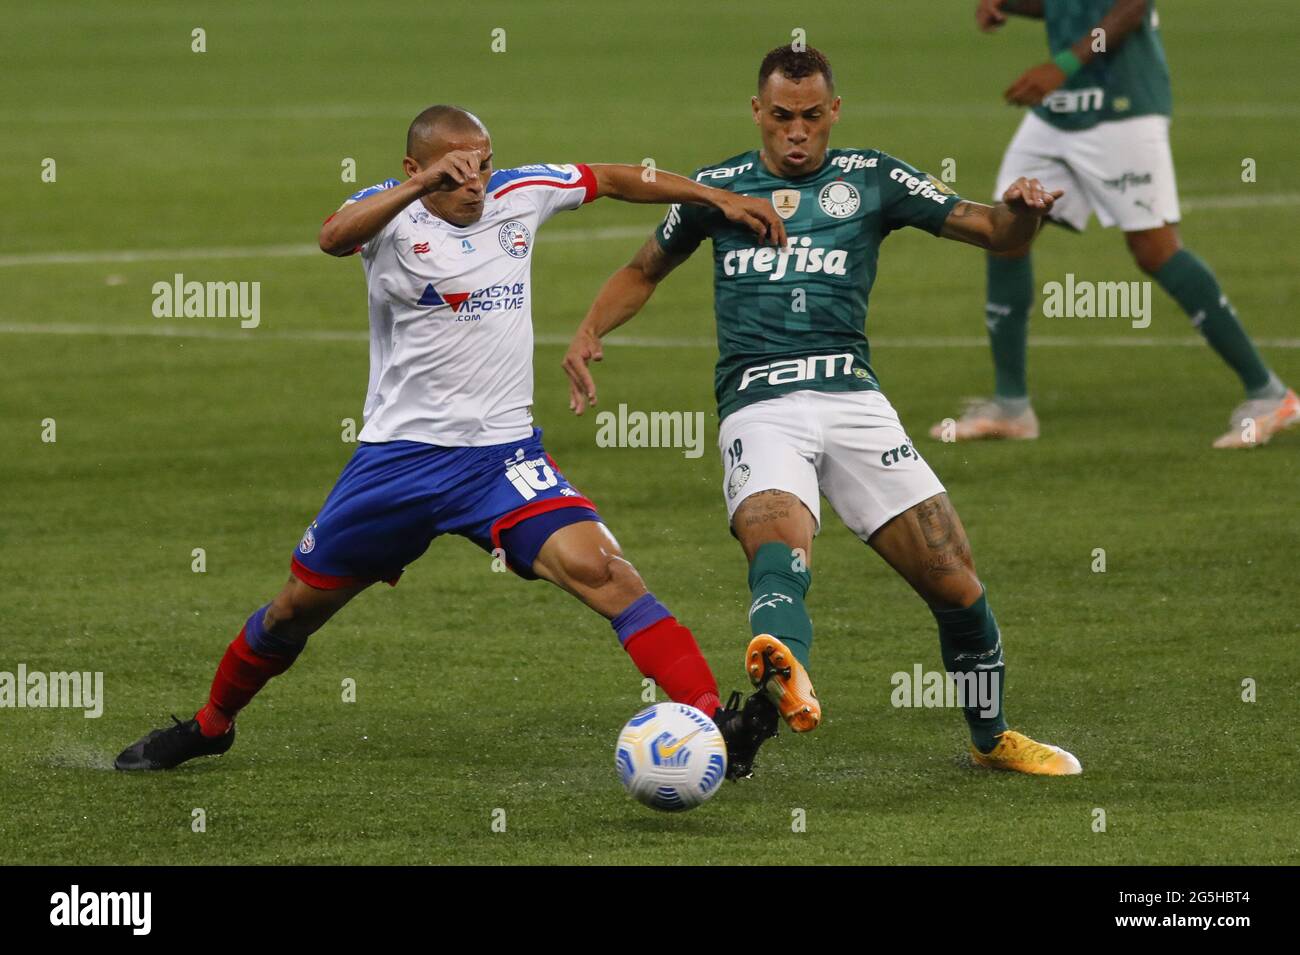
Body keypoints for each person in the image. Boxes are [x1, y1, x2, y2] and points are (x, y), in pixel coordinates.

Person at [114, 105, 790, 778]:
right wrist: (419, 187)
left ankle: (715, 723)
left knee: (609, 574)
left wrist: (714, 196)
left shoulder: (519, 195)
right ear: (416, 167)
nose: (475, 181)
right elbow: (330, 236)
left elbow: (614, 177)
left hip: (503, 458)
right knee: (293, 611)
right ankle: (210, 725)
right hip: (396, 462)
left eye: (484, 163)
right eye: (456, 168)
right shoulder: (387, 216)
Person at [564, 47, 1082, 774]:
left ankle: (991, 737)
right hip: (759, 402)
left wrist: (1023, 214)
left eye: (811, 117)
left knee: (956, 580)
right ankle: (786, 671)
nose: (797, 132)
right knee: (781, 546)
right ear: (758, 113)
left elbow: (993, 231)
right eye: (781, 118)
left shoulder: (873, 178)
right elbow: (644, 268)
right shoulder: (717, 190)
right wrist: (589, 330)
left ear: (833, 112)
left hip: (854, 400)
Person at [930, 0, 1297, 448]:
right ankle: (1011, 407)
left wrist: (1060, 66)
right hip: (1060, 111)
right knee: (1006, 232)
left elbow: (1131, 7)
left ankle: (1270, 394)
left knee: (1155, 250)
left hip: (1122, 105)